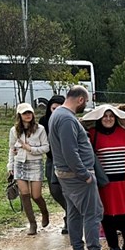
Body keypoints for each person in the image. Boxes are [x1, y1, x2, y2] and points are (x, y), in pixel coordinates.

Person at [47, 85, 120, 250]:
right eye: (85, 101)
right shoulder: (66, 119)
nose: (84, 105)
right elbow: (70, 151)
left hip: (66, 174)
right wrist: (84, 174)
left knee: (73, 212)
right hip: (77, 175)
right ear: (80, 99)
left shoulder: (59, 115)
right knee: (93, 212)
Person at [86, 105, 125, 250]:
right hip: (105, 182)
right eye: (105, 116)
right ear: (99, 118)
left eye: (111, 116)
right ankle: (113, 246)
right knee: (107, 215)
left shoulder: (122, 132)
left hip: (124, 180)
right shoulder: (93, 134)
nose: (108, 119)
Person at [8, 103, 51, 235]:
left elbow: (46, 147)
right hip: (19, 163)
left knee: (36, 195)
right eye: (24, 113)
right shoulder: (14, 131)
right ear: (19, 115)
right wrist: (10, 166)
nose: (28, 115)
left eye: (29, 113)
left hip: (35, 163)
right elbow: (11, 149)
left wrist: (30, 148)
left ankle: (44, 212)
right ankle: (32, 223)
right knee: (24, 194)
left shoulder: (40, 129)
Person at [39, 94, 68, 234]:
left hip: (67, 160)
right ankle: (70, 212)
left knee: (69, 190)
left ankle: (70, 219)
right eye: (53, 108)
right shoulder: (43, 121)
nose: (56, 112)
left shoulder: (68, 120)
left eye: (60, 108)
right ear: (49, 108)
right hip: (51, 159)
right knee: (55, 191)